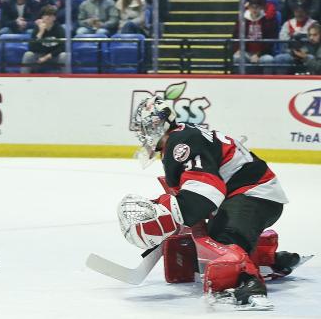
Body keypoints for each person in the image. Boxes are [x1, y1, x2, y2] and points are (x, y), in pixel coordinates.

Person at [120, 96, 301, 305]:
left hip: (255, 194)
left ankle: (248, 282)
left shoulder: (181, 143)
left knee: (223, 239)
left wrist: (169, 213)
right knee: (212, 235)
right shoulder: (180, 137)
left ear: (156, 124)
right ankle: (268, 259)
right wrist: (172, 212)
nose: (142, 135)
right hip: (249, 194)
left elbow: (206, 191)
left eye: (144, 128)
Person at [232, 1, 277, 74]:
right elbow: (236, 36)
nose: (254, 10)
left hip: (262, 53)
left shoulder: (266, 21)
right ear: (249, 8)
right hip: (246, 52)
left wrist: (258, 55)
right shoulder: (243, 20)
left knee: (268, 60)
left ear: (261, 8)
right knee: (236, 57)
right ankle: (240, 81)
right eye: (252, 7)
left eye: (257, 7)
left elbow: (270, 41)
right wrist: (238, 49)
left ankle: (267, 82)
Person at [21, 5, 66, 73]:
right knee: (28, 55)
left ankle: (66, 78)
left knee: (64, 56)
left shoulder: (59, 29)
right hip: (39, 54)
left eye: (51, 15)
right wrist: (40, 32)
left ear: (54, 18)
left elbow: (62, 47)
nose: (48, 17)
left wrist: (46, 57)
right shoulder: (37, 28)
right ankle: (23, 79)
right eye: (45, 15)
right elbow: (31, 47)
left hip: (53, 56)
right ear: (42, 17)